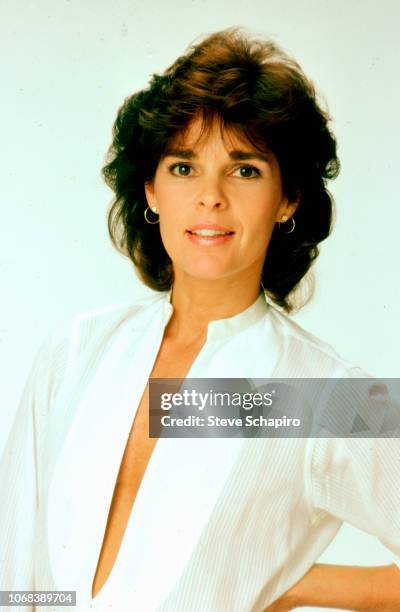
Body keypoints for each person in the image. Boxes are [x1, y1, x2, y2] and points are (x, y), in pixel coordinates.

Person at [1, 27, 399, 612]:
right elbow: (19, 572)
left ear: (288, 197)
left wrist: (296, 586)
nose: (210, 197)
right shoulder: (76, 350)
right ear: (151, 190)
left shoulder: (323, 393)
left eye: (245, 170)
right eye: (184, 168)